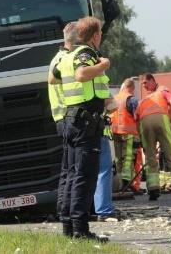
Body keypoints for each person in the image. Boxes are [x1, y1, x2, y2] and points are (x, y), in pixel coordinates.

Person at [49, 16, 111, 242]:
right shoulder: (86, 54)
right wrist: (103, 65)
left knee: (71, 174)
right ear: (96, 35)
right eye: (100, 33)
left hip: (72, 119)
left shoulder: (66, 56)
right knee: (84, 176)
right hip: (85, 122)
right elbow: (81, 74)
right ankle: (80, 230)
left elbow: (53, 79)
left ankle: (68, 226)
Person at [136, 73, 171, 200]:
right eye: (142, 84)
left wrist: (141, 138)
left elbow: (137, 120)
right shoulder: (162, 92)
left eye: (145, 83)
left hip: (144, 123)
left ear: (152, 80)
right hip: (161, 119)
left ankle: (153, 189)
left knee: (150, 158)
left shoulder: (143, 101)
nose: (143, 86)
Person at [47, 22, 78, 223]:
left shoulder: (56, 59)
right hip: (69, 118)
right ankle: (68, 214)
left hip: (62, 119)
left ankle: (63, 213)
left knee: (67, 170)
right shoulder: (68, 60)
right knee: (73, 171)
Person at [111, 78, 140, 193]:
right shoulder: (131, 99)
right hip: (127, 133)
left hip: (115, 132)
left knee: (118, 158)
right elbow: (137, 116)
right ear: (131, 88)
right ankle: (126, 182)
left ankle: (118, 184)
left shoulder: (115, 98)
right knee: (128, 158)